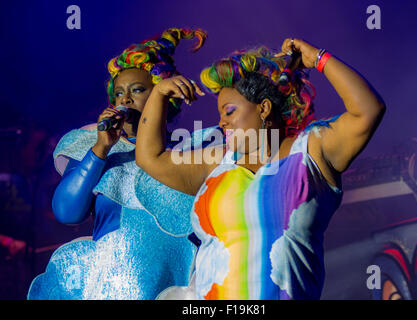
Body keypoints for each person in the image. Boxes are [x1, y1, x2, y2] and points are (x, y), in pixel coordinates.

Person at [135, 37, 386, 300]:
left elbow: (368, 111)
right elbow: (149, 157)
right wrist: (159, 94)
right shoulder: (217, 163)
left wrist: (319, 59)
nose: (221, 122)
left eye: (229, 112)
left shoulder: (311, 151)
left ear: (263, 108)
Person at [27, 28, 221, 300]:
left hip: (174, 285)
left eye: (138, 90)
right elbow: (66, 212)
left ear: (164, 94)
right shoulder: (96, 148)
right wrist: (100, 149)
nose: (125, 99)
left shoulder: (190, 152)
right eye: (118, 93)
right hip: (111, 288)